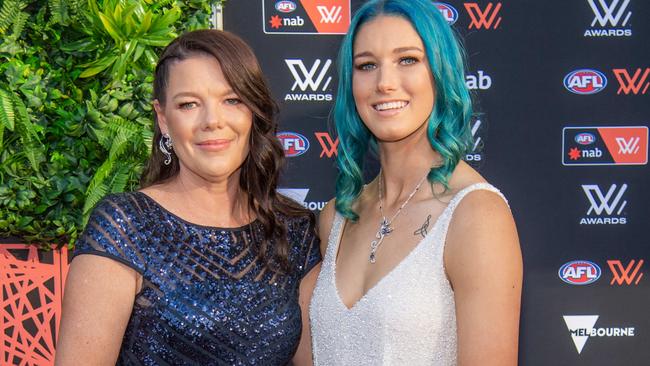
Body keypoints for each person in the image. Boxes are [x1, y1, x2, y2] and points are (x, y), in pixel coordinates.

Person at [55, 29, 320, 366]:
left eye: (232, 100)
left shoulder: (292, 230)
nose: (212, 121)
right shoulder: (125, 226)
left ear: (253, 113)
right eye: (189, 104)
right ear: (164, 119)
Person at [309, 0, 522, 365]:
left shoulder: (476, 215)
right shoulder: (337, 217)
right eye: (367, 65)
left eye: (407, 59)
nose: (384, 83)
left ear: (440, 73)